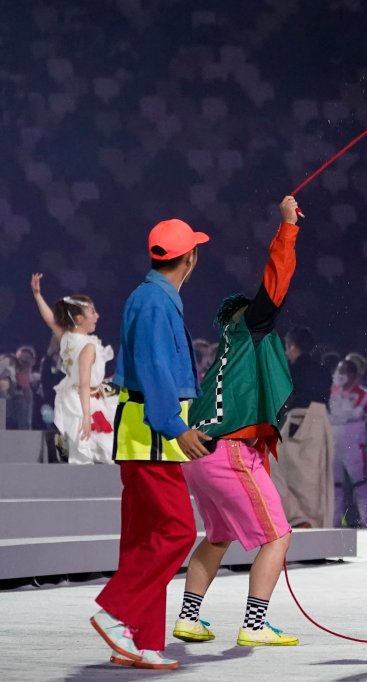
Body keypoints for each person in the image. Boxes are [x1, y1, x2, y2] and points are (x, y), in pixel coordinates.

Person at [171, 196, 303, 649]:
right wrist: (287, 226)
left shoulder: (227, 353)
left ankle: (189, 618)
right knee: (278, 536)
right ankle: (256, 623)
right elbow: (275, 285)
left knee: (219, 535)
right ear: (242, 318)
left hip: (200, 453)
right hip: (228, 450)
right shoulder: (249, 330)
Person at [90, 216, 211, 670]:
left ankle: (139, 641)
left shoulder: (148, 296)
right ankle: (117, 610)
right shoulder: (160, 303)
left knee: (144, 539)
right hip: (153, 435)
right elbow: (159, 370)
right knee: (177, 530)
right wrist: (176, 428)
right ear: (191, 257)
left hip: (140, 432)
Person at [30, 274, 117, 464]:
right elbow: (84, 384)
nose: (97, 316)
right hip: (84, 400)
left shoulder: (67, 337)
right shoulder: (87, 346)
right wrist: (87, 416)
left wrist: (37, 294)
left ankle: (64, 453)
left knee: (74, 442)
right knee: (90, 448)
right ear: (79, 318)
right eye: (92, 312)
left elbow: (50, 320)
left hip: (69, 397)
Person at [272, 326, 334, 528]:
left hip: (297, 421)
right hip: (321, 421)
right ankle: (314, 521)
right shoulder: (323, 370)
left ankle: (299, 518)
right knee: (315, 476)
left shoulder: (290, 370)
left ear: (290, 346)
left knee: (291, 474)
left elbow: (286, 399)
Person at [329, 355, 367, 527]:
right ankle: (334, 522)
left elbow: (355, 413)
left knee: (359, 484)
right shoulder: (331, 393)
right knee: (336, 485)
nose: (339, 374)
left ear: (353, 375)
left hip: (353, 445)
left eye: (344, 372)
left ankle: (366, 521)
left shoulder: (363, 393)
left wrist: (338, 416)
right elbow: (329, 415)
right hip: (335, 444)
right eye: (339, 370)